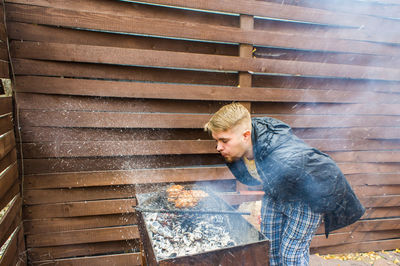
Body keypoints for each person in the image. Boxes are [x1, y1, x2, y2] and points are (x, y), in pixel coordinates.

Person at [204, 102, 365, 266]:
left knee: (290, 256)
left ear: (246, 135)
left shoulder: (284, 157)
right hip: (275, 193)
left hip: (304, 201)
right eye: (217, 141)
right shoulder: (239, 145)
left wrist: (328, 210)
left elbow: (327, 170)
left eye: (224, 140)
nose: (218, 147)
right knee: (270, 250)